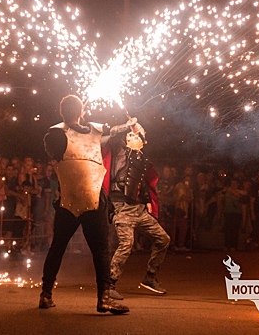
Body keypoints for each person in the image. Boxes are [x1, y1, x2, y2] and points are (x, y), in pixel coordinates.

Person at [39, 94, 129, 314]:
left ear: (61, 112)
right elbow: (111, 136)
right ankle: (104, 298)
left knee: (57, 249)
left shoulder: (53, 135)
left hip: (68, 201)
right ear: (82, 111)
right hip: (92, 200)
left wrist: (125, 127)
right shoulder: (94, 133)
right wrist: (128, 126)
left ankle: (45, 294)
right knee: (101, 251)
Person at [107, 124, 170, 300]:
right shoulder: (119, 151)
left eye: (138, 134)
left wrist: (148, 201)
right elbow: (111, 133)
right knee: (126, 244)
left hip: (137, 208)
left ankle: (150, 278)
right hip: (121, 206)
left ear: (144, 140)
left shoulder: (141, 159)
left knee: (163, 239)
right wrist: (127, 125)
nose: (133, 135)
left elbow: (140, 183)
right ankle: (109, 283)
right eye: (130, 134)